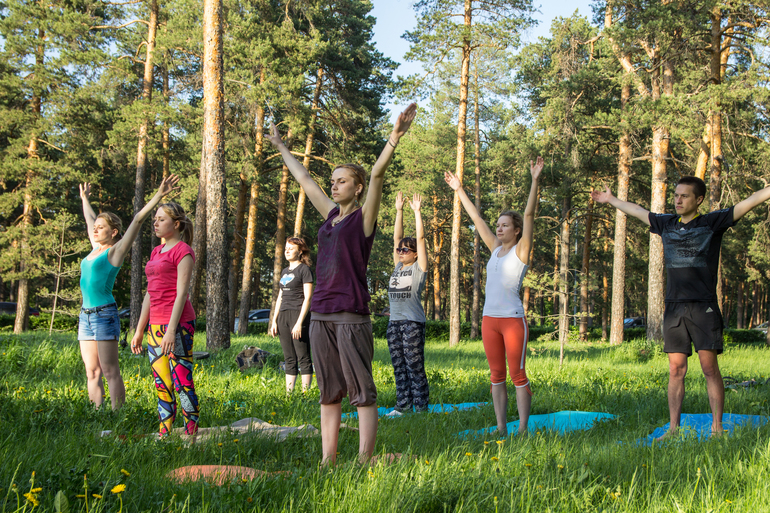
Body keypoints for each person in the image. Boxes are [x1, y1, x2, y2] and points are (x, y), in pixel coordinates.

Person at [266, 102, 417, 464]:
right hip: (320, 314)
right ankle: (327, 459)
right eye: (333, 181)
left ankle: (366, 458)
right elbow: (305, 180)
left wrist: (393, 138)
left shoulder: (363, 219)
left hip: (351, 313)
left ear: (358, 186)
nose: (334, 186)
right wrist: (283, 148)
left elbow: (379, 175)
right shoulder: (329, 217)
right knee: (328, 391)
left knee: (361, 389)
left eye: (342, 181)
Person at [591, 176, 770, 440]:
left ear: (698, 200)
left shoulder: (711, 223)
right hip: (674, 308)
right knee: (676, 370)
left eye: (684, 196)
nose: (678, 200)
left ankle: (717, 428)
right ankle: (673, 429)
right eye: (676, 195)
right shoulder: (666, 224)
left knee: (710, 369)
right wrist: (611, 200)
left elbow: (747, 203)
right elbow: (640, 212)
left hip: (703, 307)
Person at [443, 157, 543, 437]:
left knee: (518, 376)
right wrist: (459, 189)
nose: (499, 229)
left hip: (512, 321)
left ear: (517, 230)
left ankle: (522, 429)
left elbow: (531, 214)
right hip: (490, 321)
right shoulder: (495, 248)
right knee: (496, 377)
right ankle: (501, 427)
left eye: (505, 225)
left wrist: (535, 181)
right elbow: (476, 218)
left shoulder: (520, 251)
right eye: (498, 225)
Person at [78, 175, 179, 410]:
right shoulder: (94, 248)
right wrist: (84, 199)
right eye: (95, 228)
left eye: (101, 228)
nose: (95, 230)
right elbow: (89, 218)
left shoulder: (114, 252)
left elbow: (137, 220)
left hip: (104, 315)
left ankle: (117, 416)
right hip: (86, 316)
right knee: (92, 371)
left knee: (110, 370)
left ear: (113, 233)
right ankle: (96, 415)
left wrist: (158, 196)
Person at [130, 202, 199, 436]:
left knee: (182, 381)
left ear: (176, 224)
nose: (155, 223)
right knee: (162, 383)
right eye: (155, 219)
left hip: (178, 326)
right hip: (155, 326)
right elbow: (150, 292)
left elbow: (182, 293)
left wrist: (171, 330)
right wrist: (140, 330)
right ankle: (164, 434)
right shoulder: (155, 252)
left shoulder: (183, 251)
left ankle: (191, 435)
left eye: (161, 219)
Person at [385, 191, 429, 416]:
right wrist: (399, 211)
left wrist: (417, 213)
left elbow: (420, 240)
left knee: (414, 367)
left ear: (414, 254)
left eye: (405, 250)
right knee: (399, 367)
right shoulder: (397, 266)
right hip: (394, 323)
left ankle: (420, 408)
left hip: (412, 323)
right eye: (399, 250)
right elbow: (396, 237)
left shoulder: (418, 269)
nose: (400, 252)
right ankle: (402, 406)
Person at [269, 237, 314, 393]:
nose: (287, 250)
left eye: (291, 248)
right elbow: (280, 297)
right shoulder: (285, 271)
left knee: (303, 357)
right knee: (289, 357)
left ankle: (305, 394)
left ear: (300, 251)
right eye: (286, 248)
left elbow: (308, 298)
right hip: (283, 317)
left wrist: (299, 323)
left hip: (298, 315)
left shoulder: (304, 270)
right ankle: (289, 395)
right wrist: (274, 321)